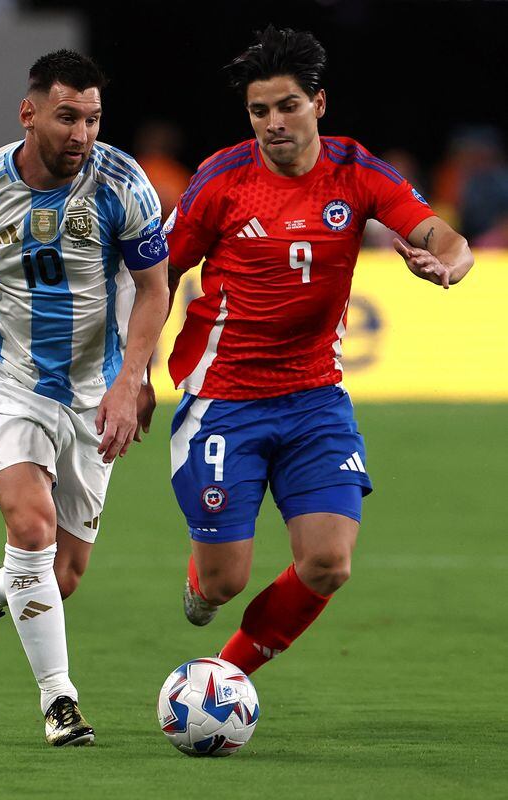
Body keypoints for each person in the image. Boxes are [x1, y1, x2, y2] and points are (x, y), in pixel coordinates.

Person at [166, 26, 473, 677]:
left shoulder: (354, 171)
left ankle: (221, 680)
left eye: (286, 106)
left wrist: (446, 264)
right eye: (258, 111)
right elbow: (155, 276)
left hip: (314, 399)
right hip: (224, 399)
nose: (272, 123)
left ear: (318, 103)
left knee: (329, 563)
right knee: (221, 583)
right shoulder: (220, 181)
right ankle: (203, 584)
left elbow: (444, 236)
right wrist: (131, 372)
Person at [0, 49, 169, 745]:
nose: (82, 133)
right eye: (66, 117)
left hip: (93, 393)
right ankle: (61, 702)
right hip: (4, 380)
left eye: (92, 118)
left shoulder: (123, 183)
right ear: (29, 114)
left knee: (60, 576)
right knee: (30, 527)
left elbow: (153, 288)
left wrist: (132, 380)